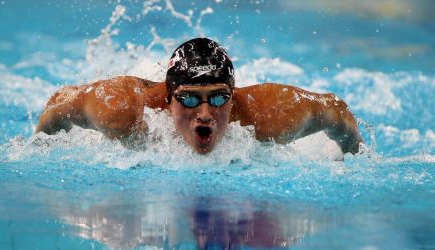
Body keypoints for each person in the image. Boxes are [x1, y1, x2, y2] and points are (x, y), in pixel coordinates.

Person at [36, 38, 362, 155]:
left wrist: (354, 157)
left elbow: (338, 111)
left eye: (219, 98)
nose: (206, 114)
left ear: (233, 96)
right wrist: (39, 147)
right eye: (190, 99)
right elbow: (58, 108)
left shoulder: (271, 116)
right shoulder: (120, 111)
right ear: (168, 98)